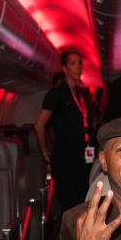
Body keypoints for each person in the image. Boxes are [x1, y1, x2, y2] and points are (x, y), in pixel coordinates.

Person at [34, 47, 96, 212]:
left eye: (79, 63)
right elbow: (39, 124)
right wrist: (44, 151)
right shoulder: (56, 94)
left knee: (84, 201)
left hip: (84, 156)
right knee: (69, 204)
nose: (78, 67)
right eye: (73, 64)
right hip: (66, 158)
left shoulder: (82, 94)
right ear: (64, 68)